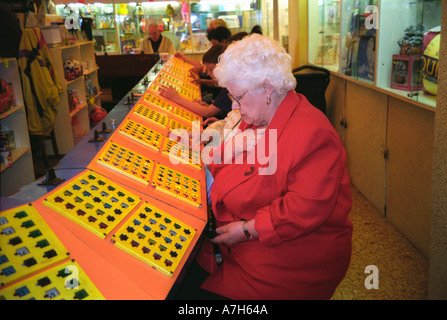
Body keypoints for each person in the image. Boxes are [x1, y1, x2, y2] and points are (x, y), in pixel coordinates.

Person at [174, 34, 353, 300]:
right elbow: (231, 164)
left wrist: (247, 229)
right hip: (235, 243)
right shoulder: (256, 116)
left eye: (238, 97)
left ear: (267, 89)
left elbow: (304, 209)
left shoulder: (314, 134)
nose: (233, 107)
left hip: (285, 261)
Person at [159, 44, 232, 120]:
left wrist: (177, 98)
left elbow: (207, 112)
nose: (208, 73)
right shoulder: (227, 85)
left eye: (210, 69)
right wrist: (210, 106)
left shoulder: (230, 88)